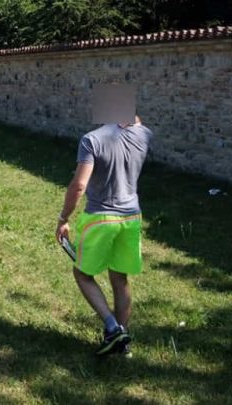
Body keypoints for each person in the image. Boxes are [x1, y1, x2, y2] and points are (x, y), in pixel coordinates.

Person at [55, 115, 152, 357]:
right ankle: (123, 344)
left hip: (101, 218)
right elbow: (137, 123)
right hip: (131, 218)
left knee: (82, 273)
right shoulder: (144, 135)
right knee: (120, 278)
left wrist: (63, 219)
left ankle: (112, 329)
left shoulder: (92, 140)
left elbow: (79, 185)